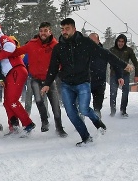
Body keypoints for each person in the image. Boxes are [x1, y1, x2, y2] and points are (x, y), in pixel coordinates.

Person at [41, 18, 132, 146]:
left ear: (74, 29)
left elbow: (104, 53)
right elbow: (53, 68)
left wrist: (123, 64)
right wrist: (47, 83)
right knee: (71, 114)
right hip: (66, 84)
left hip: (83, 82)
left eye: (67, 28)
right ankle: (86, 137)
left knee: (83, 109)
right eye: (62, 29)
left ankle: (97, 122)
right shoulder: (58, 47)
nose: (64, 31)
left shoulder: (85, 43)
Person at [11, 22, 67, 136]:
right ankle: (44, 121)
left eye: (46, 31)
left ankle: (59, 127)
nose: (43, 33)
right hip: (35, 78)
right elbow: (18, 52)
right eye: (41, 31)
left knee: (55, 104)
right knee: (38, 100)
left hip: (49, 80)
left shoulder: (55, 45)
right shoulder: (32, 44)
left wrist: (62, 71)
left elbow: (61, 61)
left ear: (50, 32)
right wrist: (6, 49)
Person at [0, 21, 35, 136]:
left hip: (16, 70)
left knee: (12, 100)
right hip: (9, 73)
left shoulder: (3, 38)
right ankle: (13, 126)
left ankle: (27, 123)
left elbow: (11, 46)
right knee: (7, 102)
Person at [109, 33, 138, 117]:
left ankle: (123, 110)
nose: (120, 43)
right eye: (119, 41)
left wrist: (136, 75)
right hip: (114, 74)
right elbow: (110, 62)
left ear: (125, 42)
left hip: (125, 74)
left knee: (125, 92)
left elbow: (136, 63)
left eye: (122, 41)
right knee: (113, 92)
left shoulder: (128, 50)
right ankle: (113, 111)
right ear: (116, 41)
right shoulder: (112, 50)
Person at [88, 33, 109, 119]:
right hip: (86, 82)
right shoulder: (83, 52)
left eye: (93, 41)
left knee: (97, 107)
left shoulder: (104, 52)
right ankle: (80, 123)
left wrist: (120, 75)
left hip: (100, 82)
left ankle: (98, 124)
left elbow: (115, 63)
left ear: (98, 41)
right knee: (82, 105)